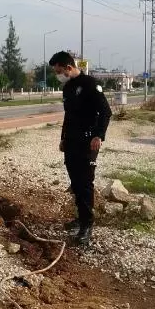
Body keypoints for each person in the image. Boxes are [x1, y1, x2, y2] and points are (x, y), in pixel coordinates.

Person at [49, 51, 112, 245]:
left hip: (88, 142)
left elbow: (105, 112)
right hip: (72, 141)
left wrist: (98, 135)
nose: (58, 75)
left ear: (69, 67)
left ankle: (87, 225)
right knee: (75, 182)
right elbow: (68, 116)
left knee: (85, 183)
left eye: (59, 71)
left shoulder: (90, 84)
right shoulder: (67, 88)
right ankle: (80, 217)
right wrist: (63, 138)